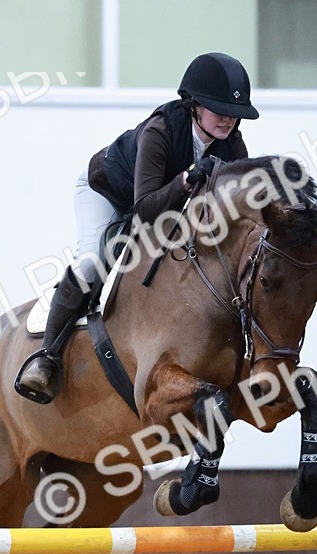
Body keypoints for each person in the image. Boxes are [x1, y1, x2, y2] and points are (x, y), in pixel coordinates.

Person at [15, 52, 260, 403]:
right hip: (106, 193)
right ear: (194, 106)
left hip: (162, 206)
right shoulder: (161, 130)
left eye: (234, 113)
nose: (229, 120)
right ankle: (46, 357)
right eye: (219, 110)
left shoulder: (233, 144)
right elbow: (144, 210)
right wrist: (187, 180)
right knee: (91, 261)